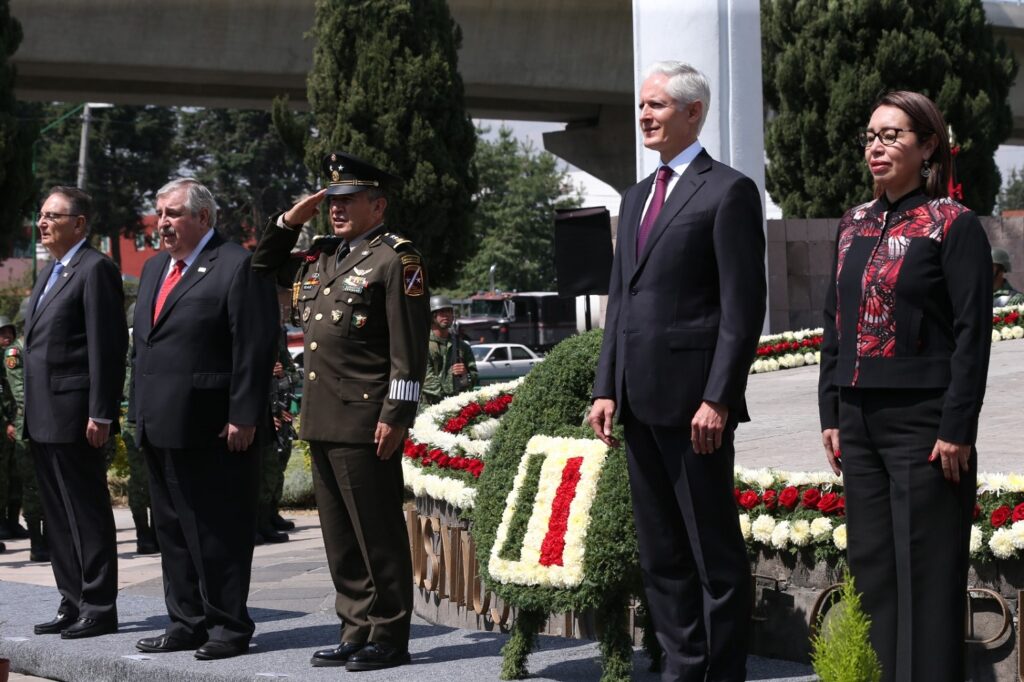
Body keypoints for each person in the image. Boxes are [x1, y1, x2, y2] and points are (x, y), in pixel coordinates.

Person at [588, 61, 766, 681]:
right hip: (637, 404)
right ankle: (681, 669)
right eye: (641, 105)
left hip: (697, 412)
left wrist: (718, 397)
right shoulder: (635, 196)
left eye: (657, 105)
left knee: (713, 553)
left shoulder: (728, 191)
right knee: (661, 554)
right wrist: (606, 386)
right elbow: (622, 302)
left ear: (694, 113)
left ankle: (721, 673)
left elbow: (742, 311)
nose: (644, 116)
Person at [818, 91, 992, 682]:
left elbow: (973, 334)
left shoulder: (952, 224)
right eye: (871, 135)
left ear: (928, 147)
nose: (877, 145)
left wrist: (957, 427)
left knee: (926, 573)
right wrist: (832, 413)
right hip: (859, 420)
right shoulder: (852, 224)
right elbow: (835, 324)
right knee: (873, 570)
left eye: (893, 135)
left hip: (925, 422)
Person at [252, 151, 430, 672]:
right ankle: (355, 629)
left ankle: (389, 635)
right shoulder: (321, 254)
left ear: (378, 205)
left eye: (348, 200)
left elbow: (408, 347)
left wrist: (396, 415)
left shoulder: (397, 259)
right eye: (331, 201)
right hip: (323, 417)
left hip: (366, 419)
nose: (336, 209)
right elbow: (263, 264)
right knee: (339, 537)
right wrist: (291, 220)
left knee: (377, 533)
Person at [130, 178, 277, 660]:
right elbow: (145, 347)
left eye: (173, 214)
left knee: (217, 531)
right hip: (160, 423)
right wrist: (138, 412)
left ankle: (229, 628)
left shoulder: (237, 265)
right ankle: (186, 621)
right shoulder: (154, 270)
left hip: (214, 427)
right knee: (171, 531)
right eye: (160, 213)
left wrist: (244, 414)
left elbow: (253, 347)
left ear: (204, 218)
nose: (163, 223)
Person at [23, 186, 128, 639]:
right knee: (58, 515)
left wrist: (101, 413)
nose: (42, 223)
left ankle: (99, 605)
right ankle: (72, 599)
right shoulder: (50, 272)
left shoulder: (95, 269)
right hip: (44, 414)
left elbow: (106, 347)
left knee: (85, 512)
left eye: (53, 216)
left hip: (75, 414)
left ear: (79, 224)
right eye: (41, 215)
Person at [5, 302, 48, 562]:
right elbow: (19, 391)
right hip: (28, 426)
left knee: (50, 486)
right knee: (32, 486)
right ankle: (37, 542)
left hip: (48, 425)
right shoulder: (15, 351)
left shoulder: (41, 346)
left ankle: (52, 538)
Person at [256, 331, 299, 544]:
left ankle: (270, 514)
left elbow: (295, 376)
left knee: (276, 470)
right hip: (260, 419)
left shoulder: (276, 344)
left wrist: (283, 375)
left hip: (280, 415)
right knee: (263, 473)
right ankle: (259, 522)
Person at [122, 302, 158, 555]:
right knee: (148, 479)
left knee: (143, 479)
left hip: (137, 416)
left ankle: (147, 534)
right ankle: (147, 534)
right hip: (140, 417)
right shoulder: (137, 342)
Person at [421, 295, 478, 405]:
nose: (446, 315)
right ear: (432, 316)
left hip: (459, 405)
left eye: (449, 312)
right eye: (442, 312)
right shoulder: (423, 345)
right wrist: (448, 401)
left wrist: (466, 375)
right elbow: (426, 379)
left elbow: (474, 376)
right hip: (430, 407)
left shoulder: (462, 346)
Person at [0, 315, 25, 544]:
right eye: (1, 334)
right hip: (5, 423)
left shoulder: (16, 356)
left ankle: (12, 520)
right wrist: (7, 422)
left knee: (17, 474)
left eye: (8, 333)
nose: (5, 338)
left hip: (17, 422)